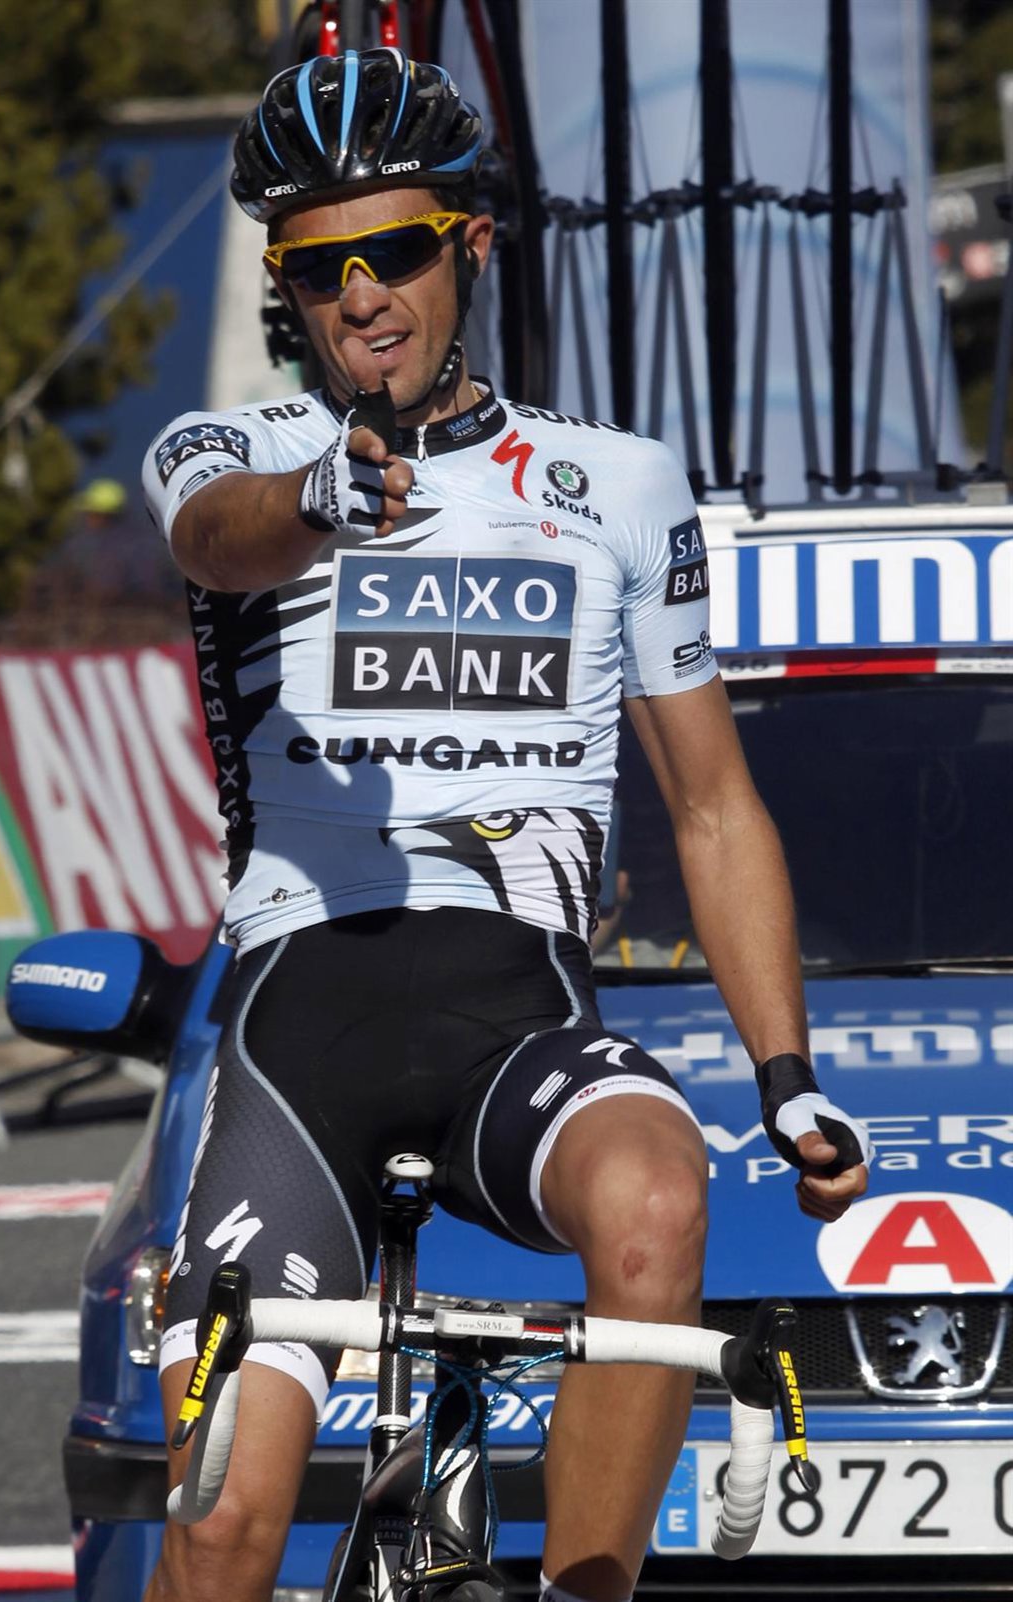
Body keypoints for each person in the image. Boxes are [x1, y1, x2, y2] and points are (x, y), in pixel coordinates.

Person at [140, 48, 872, 1602]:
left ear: (468, 245)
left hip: (515, 1025)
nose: (362, 299)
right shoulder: (236, 456)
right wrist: (322, 502)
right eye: (319, 269)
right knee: (222, 1525)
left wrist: (787, 1075)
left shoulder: (618, 483)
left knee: (660, 1191)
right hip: (300, 1039)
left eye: (395, 251)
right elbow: (216, 542)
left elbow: (712, 803)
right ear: (285, 288)